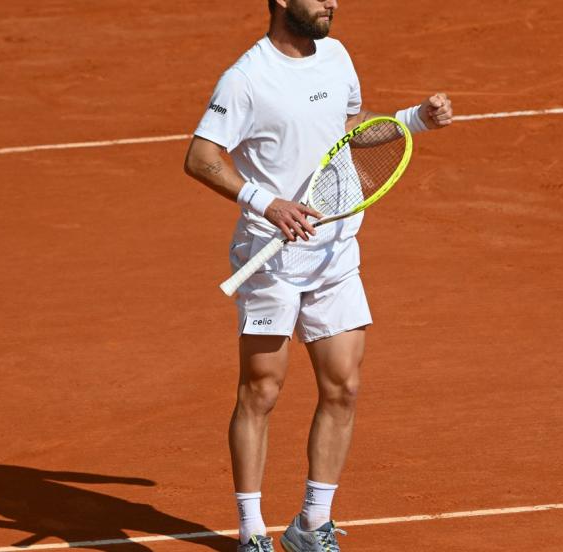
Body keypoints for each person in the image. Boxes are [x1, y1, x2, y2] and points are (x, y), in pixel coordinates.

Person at [184, 1, 453, 550]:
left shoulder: (335, 56)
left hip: (335, 251)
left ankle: (311, 524)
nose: (332, 2)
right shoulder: (246, 79)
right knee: (261, 389)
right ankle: (252, 531)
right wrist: (267, 203)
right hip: (273, 260)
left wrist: (414, 119)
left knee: (343, 386)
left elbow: (347, 130)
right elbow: (201, 156)